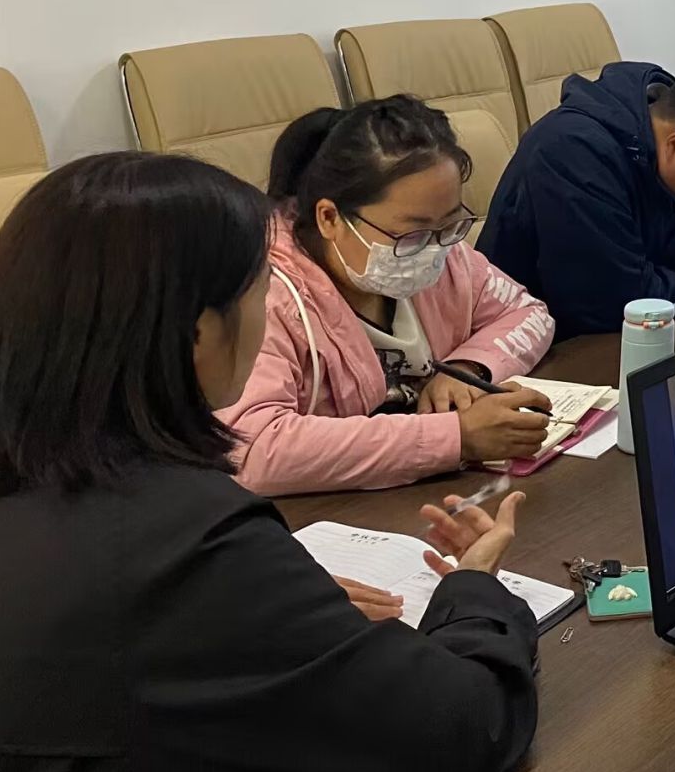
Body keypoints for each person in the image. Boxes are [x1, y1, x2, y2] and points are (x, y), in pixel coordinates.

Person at [0, 153, 539, 772]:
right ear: (200, 333)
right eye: (261, 291)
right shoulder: (187, 534)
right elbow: (468, 728)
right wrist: (473, 590)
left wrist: (266, 600)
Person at [219, 96, 559, 496]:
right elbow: (253, 450)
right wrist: (456, 437)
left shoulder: (443, 253)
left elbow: (528, 312)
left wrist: (469, 368)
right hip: (324, 514)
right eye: (410, 234)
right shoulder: (266, 296)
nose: (432, 249)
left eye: (450, 225)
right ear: (329, 218)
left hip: (423, 493)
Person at [478, 50, 675, 340]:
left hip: (613, 337)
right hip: (535, 348)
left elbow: (648, 239)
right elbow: (610, 300)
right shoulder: (574, 152)